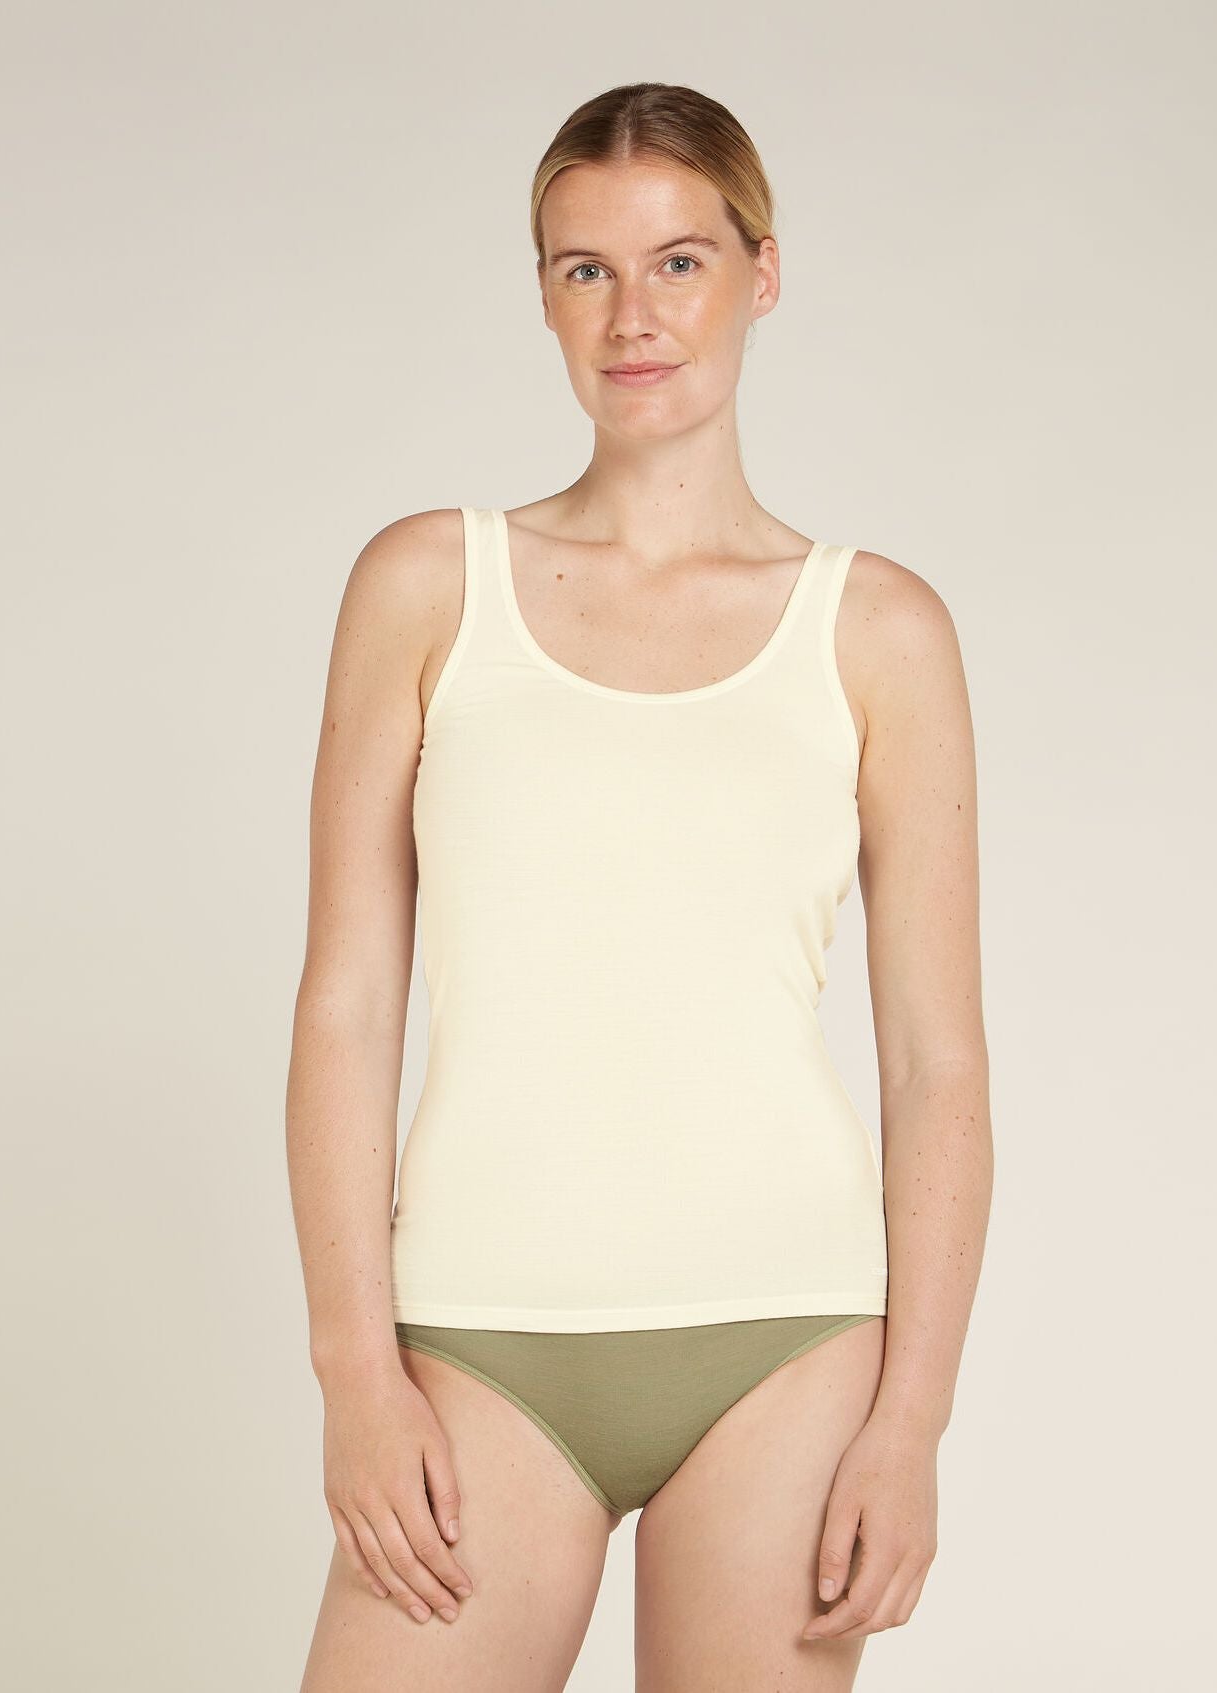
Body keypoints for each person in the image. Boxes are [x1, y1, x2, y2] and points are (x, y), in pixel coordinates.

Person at [286, 81, 993, 1692]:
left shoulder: (877, 629)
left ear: (761, 272)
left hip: (787, 1341)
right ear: (543, 294)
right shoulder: (426, 586)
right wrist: (354, 1375)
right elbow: (346, 1005)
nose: (632, 315)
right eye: (585, 269)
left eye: (678, 261)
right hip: (477, 1335)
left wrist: (912, 1420)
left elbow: (935, 1060)